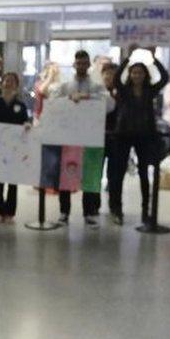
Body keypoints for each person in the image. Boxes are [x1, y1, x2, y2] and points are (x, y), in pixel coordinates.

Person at [108, 48, 169, 225]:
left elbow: (164, 77)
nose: (137, 75)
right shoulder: (123, 90)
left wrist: (154, 58)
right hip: (123, 135)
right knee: (118, 174)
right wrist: (128, 58)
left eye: (140, 72)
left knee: (144, 174)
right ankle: (117, 209)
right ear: (130, 74)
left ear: (145, 74)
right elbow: (117, 77)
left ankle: (145, 211)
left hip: (144, 135)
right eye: (134, 72)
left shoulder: (150, 90)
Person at [44, 50, 106, 226]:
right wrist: (68, 98)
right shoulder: (65, 86)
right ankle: (64, 212)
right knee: (65, 176)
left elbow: (108, 104)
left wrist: (88, 97)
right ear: (74, 64)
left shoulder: (96, 86)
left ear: (88, 65)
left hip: (89, 137)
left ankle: (89, 212)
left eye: (84, 63)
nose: (81, 66)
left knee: (90, 175)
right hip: (68, 137)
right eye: (78, 63)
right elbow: (53, 100)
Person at [0, 72, 31, 222]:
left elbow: (26, 121)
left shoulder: (20, 106)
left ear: (16, 85)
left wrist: (27, 124)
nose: (8, 83)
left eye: (12, 81)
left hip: (14, 149)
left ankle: (10, 212)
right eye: (6, 80)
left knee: (13, 180)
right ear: (1, 83)